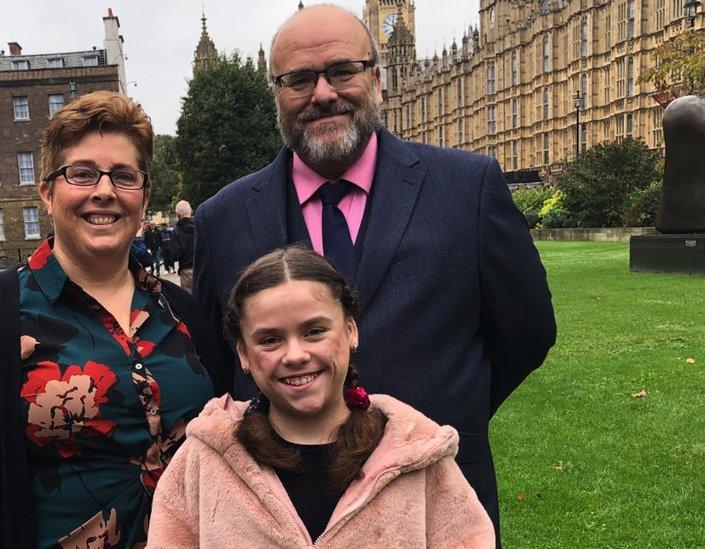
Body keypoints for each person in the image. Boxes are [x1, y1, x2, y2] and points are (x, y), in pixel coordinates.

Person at [192, 4, 556, 535]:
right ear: (277, 92)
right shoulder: (221, 218)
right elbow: (215, 357)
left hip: (432, 505)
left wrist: (451, 407)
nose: (322, 93)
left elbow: (527, 332)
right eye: (299, 79)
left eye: (342, 71)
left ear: (378, 79)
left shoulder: (467, 189)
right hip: (276, 516)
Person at [0, 91, 226, 548]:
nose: (104, 191)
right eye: (82, 173)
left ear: (144, 198)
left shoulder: (179, 310)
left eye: (124, 176)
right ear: (47, 193)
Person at [149, 247, 495, 547]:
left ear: (350, 330)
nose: (295, 354)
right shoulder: (204, 459)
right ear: (243, 353)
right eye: (270, 339)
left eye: (314, 331)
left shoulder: (417, 454)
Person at [166, 200, 196, 292]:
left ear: (178, 215)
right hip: (201, 268)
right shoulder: (200, 226)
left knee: (189, 300)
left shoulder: (176, 231)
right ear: (190, 212)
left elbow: (175, 254)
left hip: (186, 270)